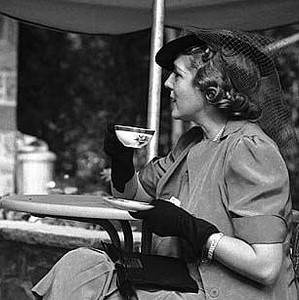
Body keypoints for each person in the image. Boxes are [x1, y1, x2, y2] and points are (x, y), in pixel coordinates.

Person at [32, 28, 298, 299]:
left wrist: (192, 229)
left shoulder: (250, 149)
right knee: (79, 265)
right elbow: (133, 196)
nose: (168, 84)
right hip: (183, 279)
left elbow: (265, 266)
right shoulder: (192, 142)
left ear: (211, 88)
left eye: (178, 75)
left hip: (227, 293)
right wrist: (122, 159)